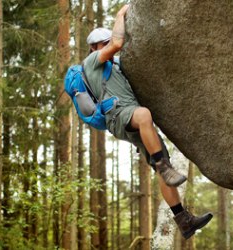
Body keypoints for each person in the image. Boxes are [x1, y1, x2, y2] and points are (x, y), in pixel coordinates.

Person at [83, 5, 212, 240]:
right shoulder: (92, 62)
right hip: (119, 114)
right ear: (95, 47)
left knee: (159, 160)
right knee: (144, 116)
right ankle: (164, 166)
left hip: (128, 116)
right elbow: (118, 43)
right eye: (105, 43)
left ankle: (183, 219)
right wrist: (120, 16)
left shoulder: (114, 66)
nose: (108, 46)